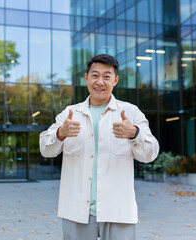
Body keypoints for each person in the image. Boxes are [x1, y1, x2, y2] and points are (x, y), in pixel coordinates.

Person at [39, 54, 159, 240]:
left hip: (118, 209)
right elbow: (46, 150)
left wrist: (134, 133)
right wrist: (60, 133)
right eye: (95, 75)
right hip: (76, 210)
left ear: (116, 80)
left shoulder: (130, 112)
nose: (100, 82)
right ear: (86, 78)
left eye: (107, 76)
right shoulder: (70, 114)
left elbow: (150, 154)